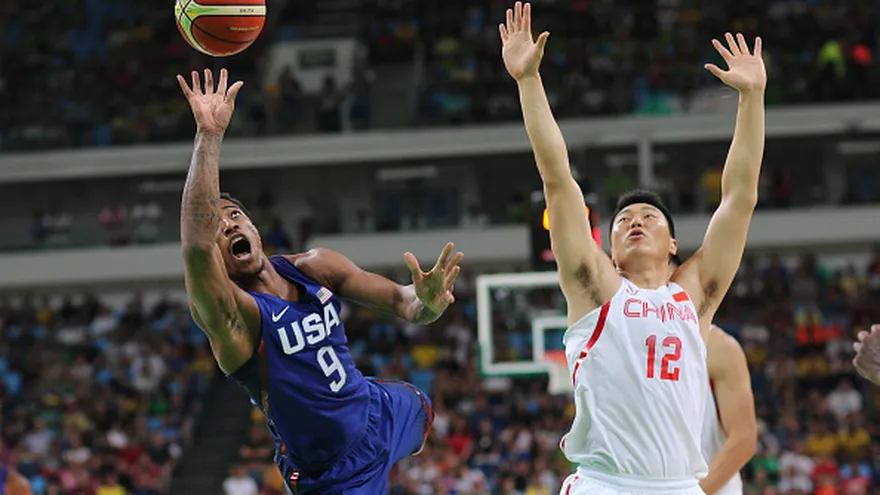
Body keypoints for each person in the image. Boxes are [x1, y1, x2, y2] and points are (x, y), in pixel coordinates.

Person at [499, 2, 766, 493]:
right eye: (624, 220)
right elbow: (558, 180)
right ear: (610, 249)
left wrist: (752, 98)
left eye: (649, 217)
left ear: (673, 245)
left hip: (684, 485)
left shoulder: (695, 295)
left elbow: (740, 196)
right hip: (606, 485)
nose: (636, 222)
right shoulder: (596, 289)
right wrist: (527, 82)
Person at [176, 68, 463, 494]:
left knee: (424, 409)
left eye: (235, 216)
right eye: (218, 226)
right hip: (333, 473)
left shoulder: (315, 264)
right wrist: (209, 136)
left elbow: (406, 304)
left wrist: (428, 304)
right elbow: (196, 246)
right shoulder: (235, 318)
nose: (228, 226)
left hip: (379, 411)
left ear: (255, 227)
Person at [700, 325, 757, 495]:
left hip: (710, 489)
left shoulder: (717, 345)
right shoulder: (627, 338)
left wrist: (694, 492)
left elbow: (744, 439)